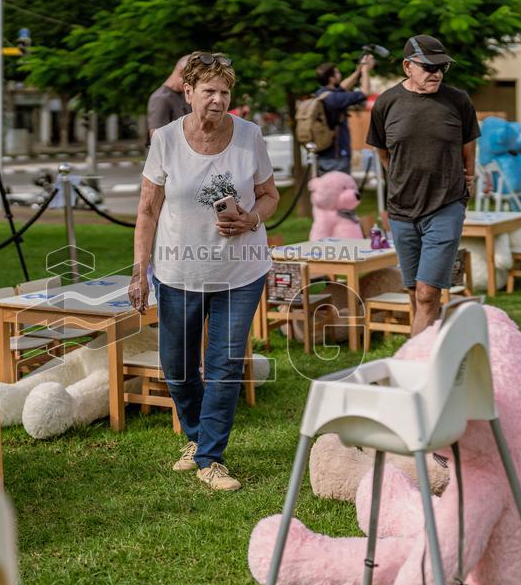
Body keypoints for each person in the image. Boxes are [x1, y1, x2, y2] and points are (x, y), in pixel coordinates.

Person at [128, 51, 279, 492]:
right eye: (209, 90)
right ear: (188, 91)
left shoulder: (249, 135)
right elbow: (147, 209)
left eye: (225, 92)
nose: (218, 99)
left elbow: (269, 195)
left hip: (240, 271)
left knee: (225, 364)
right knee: (177, 367)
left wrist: (251, 218)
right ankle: (196, 437)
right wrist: (139, 272)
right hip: (178, 272)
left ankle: (211, 457)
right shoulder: (165, 140)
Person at [366, 34, 479, 335]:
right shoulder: (386, 103)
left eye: (442, 67)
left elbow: (469, 145)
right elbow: (382, 151)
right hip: (401, 210)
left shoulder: (458, 100)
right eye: (429, 67)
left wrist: (468, 179)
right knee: (415, 290)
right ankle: (433, 348)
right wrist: (401, 177)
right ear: (408, 67)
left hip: (446, 204)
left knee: (428, 292)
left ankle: (414, 359)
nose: (437, 73)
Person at [313, 54, 376, 174]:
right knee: (340, 186)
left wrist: (358, 71)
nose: (340, 75)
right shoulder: (335, 99)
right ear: (331, 79)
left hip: (324, 154)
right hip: (337, 156)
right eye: (337, 73)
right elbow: (365, 92)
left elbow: (342, 87)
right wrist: (365, 71)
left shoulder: (322, 94)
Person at [146, 55, 192, 142]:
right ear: (181, 72)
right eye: (192, 79)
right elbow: (158, 141)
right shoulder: (161, 98)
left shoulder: (183, 95)